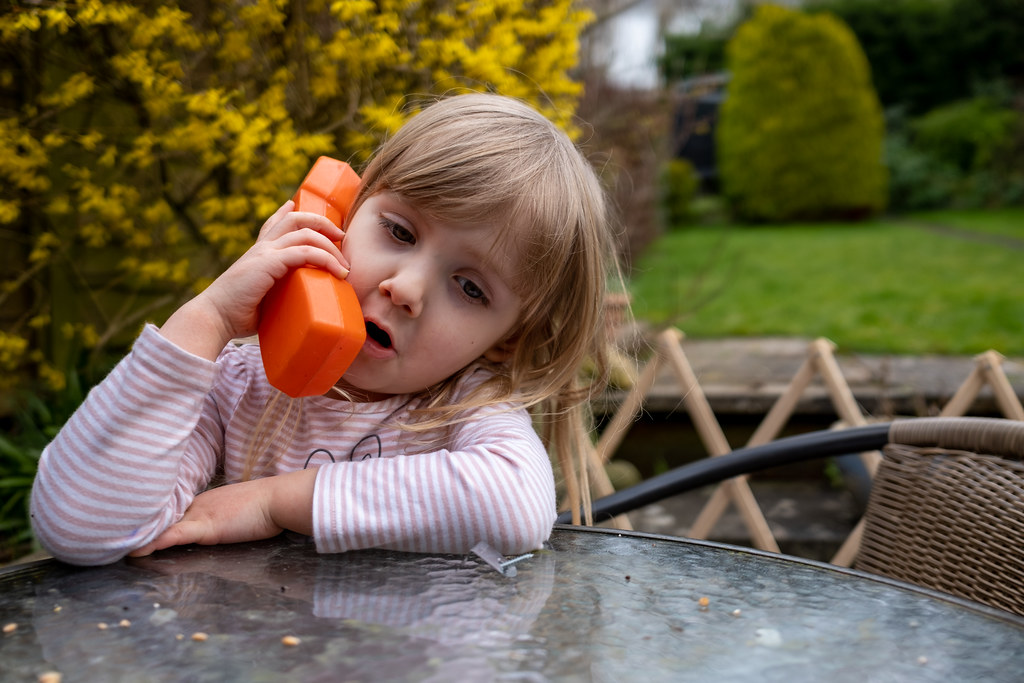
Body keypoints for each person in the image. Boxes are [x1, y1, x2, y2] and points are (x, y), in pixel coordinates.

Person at [30, 93, 624, 566]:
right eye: (399, 231)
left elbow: (515, 506)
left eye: (471, 288)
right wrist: (206, 321)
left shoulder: (465, 409)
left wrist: (275, 500)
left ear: (508, 340)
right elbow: (78, 528)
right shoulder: (240, 381)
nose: (407, 288)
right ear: (339, 214)